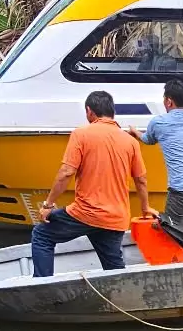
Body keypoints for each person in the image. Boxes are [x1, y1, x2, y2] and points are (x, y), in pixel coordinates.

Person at [33, 91, 154, 278]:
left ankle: (41, 288)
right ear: (112, 112)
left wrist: (48, 205)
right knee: (113, 267)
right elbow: (141, 179)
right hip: (115, 218)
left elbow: (66, 172)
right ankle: (122, 297)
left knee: (42, 235)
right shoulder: (130, 141)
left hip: (85, 212)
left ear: (89, 112)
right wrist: (145, 207)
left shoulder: (81, 134)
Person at [127, 79, 183, 246]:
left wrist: (134, 132)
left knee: (171, 229)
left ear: (168, 101)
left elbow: (148, 140)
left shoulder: (159, 122)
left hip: (182, 190)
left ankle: (182, 263)